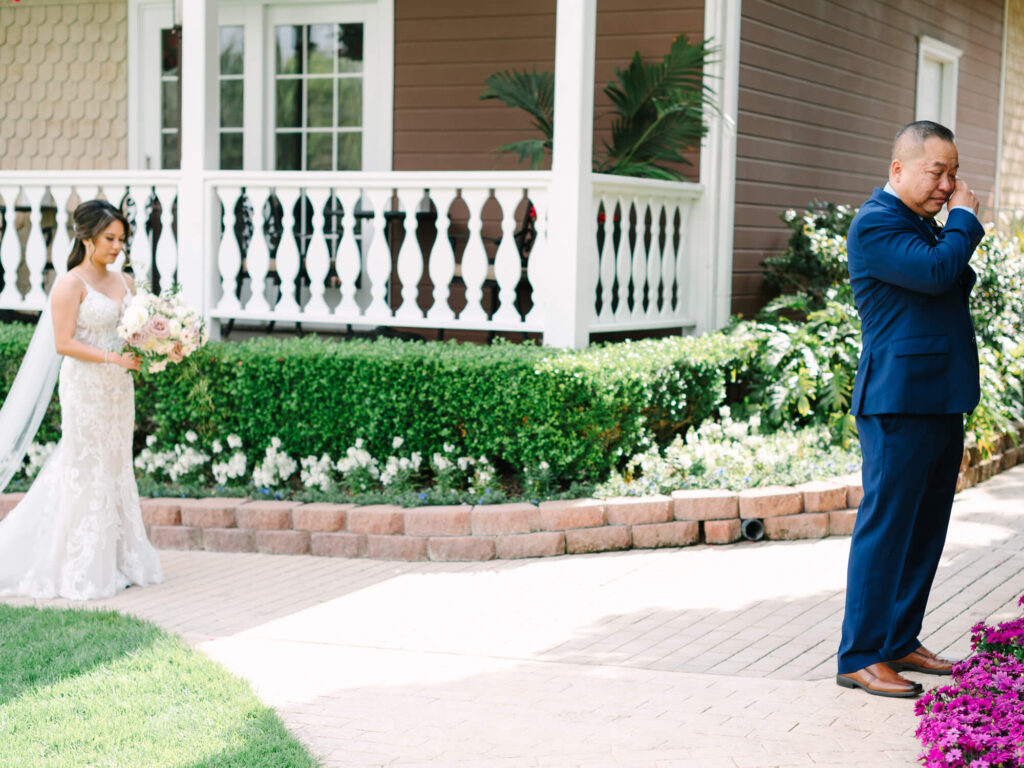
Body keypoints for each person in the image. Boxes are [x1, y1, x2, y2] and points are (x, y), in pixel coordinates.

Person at [837, 121, 984, 697]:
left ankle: (899, 640)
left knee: (925, 529)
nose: (949, 184)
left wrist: (951, 234)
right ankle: (860, 654)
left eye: (953, 172)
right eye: (937, 171)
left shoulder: (919, 226)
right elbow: (939, 273)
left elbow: (945, 275)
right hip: (898, 401)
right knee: (887, 529)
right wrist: (964, 225)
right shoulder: (875, 223)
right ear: (898, 169)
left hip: (939, 396)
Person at [0, 199, 163, 600]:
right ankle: (78, 560)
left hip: (118, 389)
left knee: (115, 463)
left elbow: (133, 333)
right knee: (82, 465)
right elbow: (64, 342)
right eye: (110, 238)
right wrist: (111, 357)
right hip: (85, 387)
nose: (117, 247)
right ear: (87, 238)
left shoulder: (126, 283)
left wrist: (161, 344)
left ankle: (120, 557)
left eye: (122, 239)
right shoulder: (71, 283)